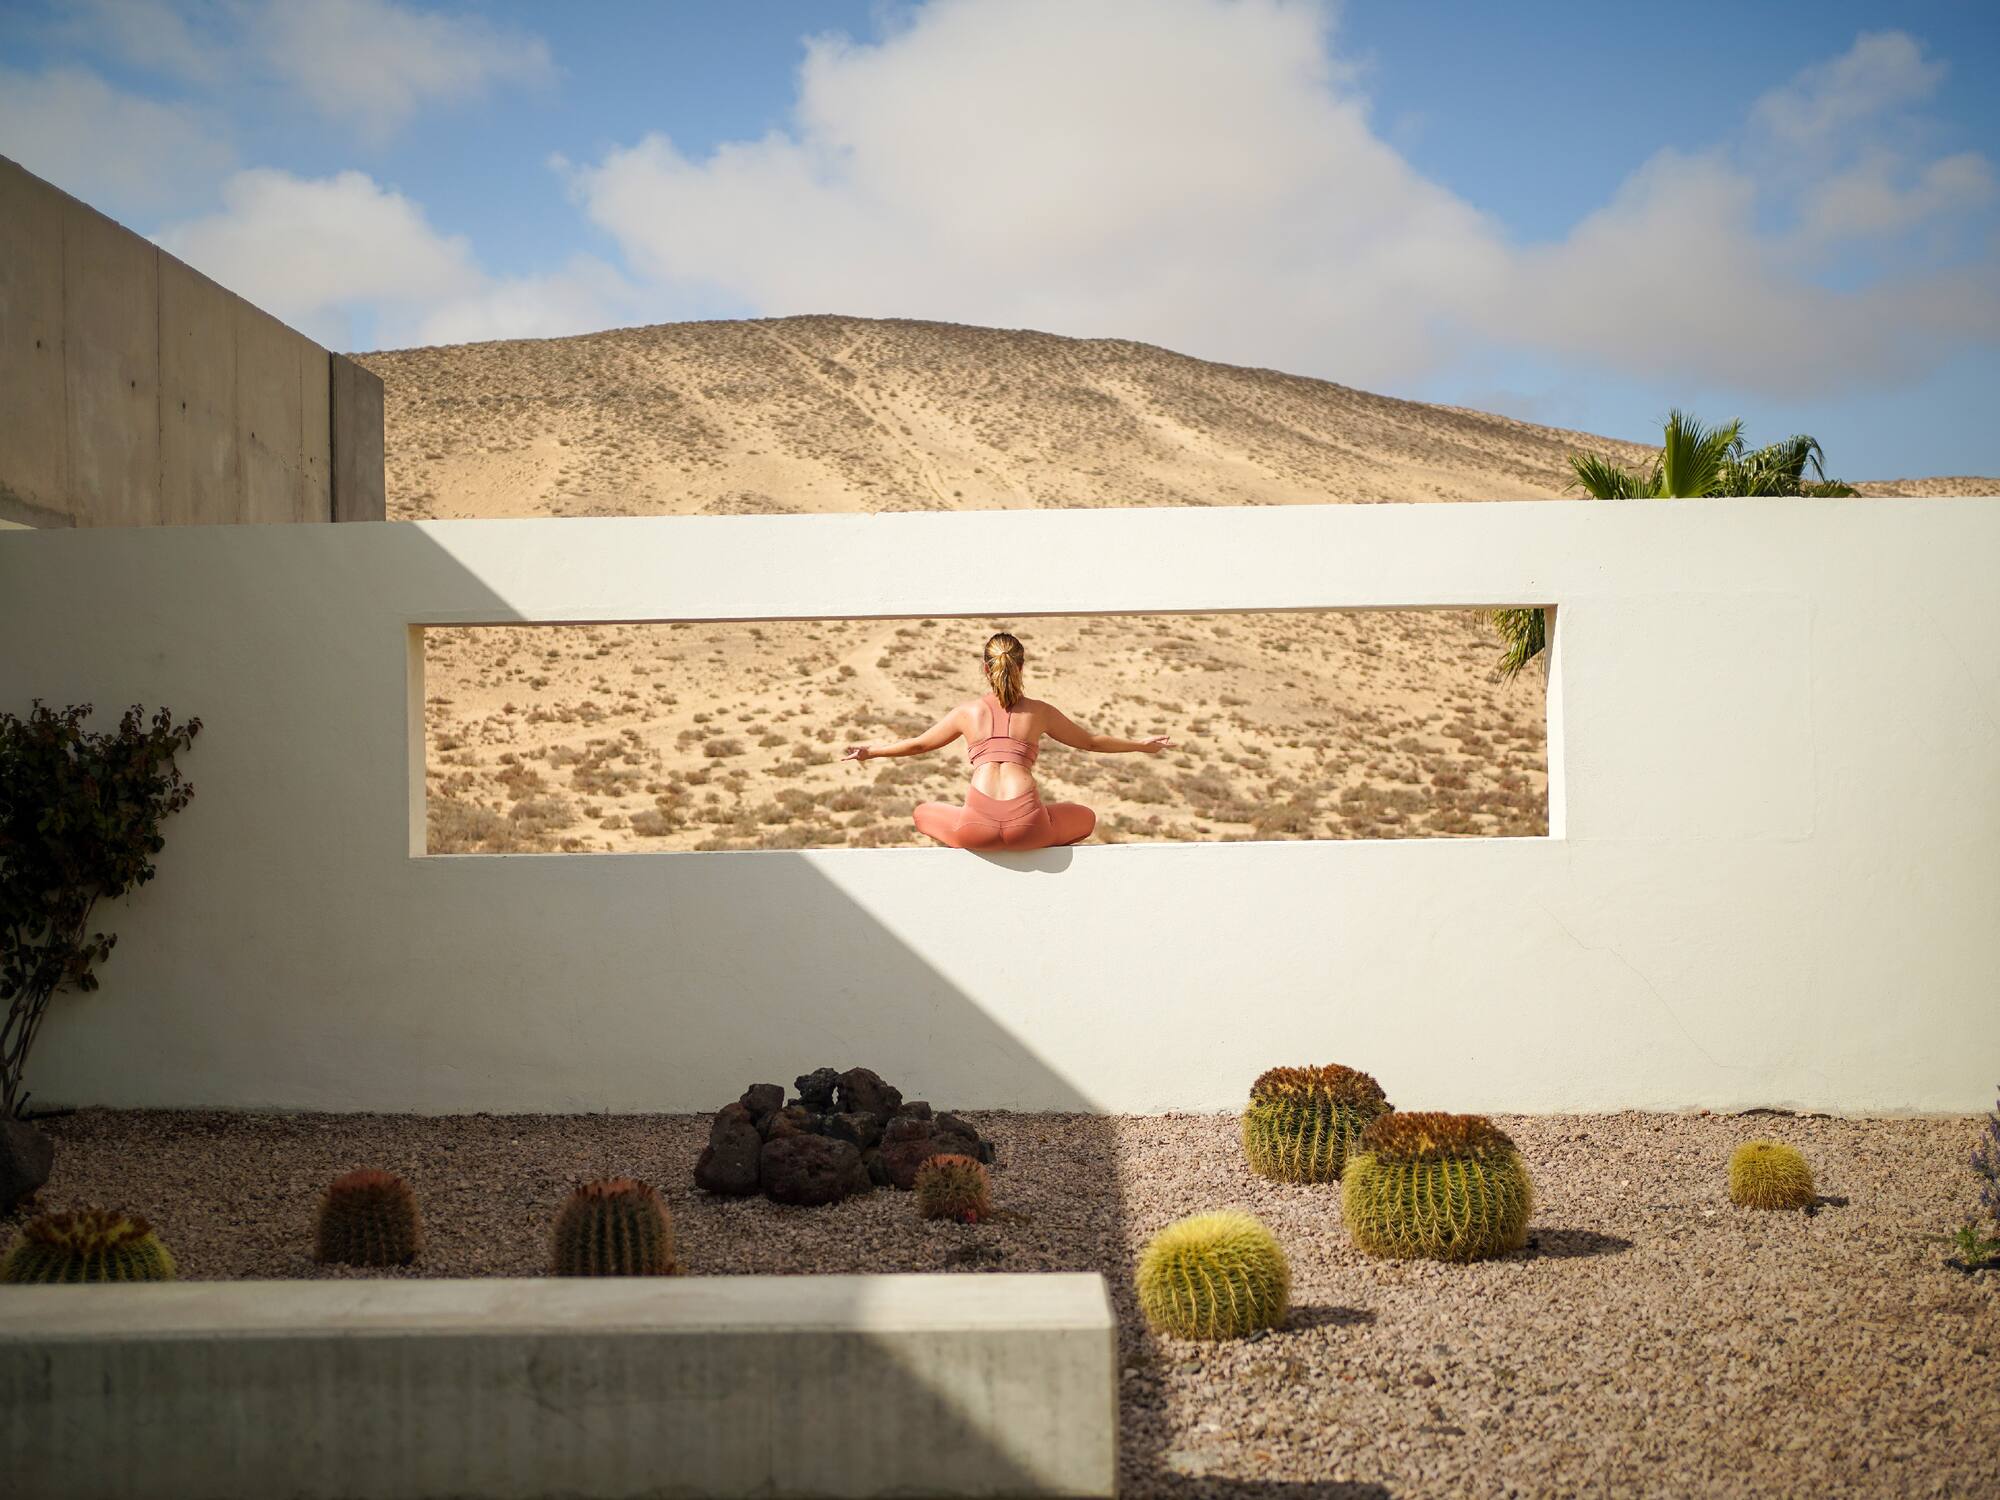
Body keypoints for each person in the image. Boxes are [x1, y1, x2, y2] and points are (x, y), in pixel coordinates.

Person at [841, 631, 1174, 851]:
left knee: (923, 812)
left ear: (986, 669)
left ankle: (981, 834)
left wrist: (870, 752)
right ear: (1021, 667)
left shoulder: (967, 712)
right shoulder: (1041, 712)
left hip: (975, 826)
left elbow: (919, 745)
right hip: (1027, 825)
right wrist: (1142, 745)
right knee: (1085, 816)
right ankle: (1026, 836)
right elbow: (1091, 742)